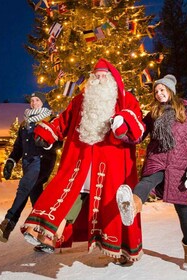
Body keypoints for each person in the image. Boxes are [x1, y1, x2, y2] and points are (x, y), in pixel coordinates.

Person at [21, 58, 145, 264]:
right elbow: (63, 121)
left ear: (113, 79)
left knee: (111, 205)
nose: (100, 79)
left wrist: (124, 124)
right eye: (96, 76)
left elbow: (138, 128)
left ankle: (122, 250)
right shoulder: (80, 99)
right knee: (68, 195)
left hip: (111, 166)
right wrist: (49, 133)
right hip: (81, 159)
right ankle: (47, 236)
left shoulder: (125, 100)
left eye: (104, 75)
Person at [116, 74, 187, 270]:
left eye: (162, 90)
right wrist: (121, 133)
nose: (159, 93)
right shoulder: (153, 113)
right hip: (157, 158)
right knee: (146, 181)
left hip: (179, 165)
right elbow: (138, 135)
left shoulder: (185, 113)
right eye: (156, 91)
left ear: (170, 90)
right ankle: (131, 205)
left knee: (183, 211)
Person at [0, 92, 59, 245]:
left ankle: (7, 224)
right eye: (32, 101)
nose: (34, 103)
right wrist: (11, 161)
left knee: (24, 187)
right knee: (35, 196)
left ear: (43, 102)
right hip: (28, 163)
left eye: (37, 100)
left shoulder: (50, 119)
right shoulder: (24, 123)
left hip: (42, 161)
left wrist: (48, 144)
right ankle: (45, 235)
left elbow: (59, 140)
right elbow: (18, 147)